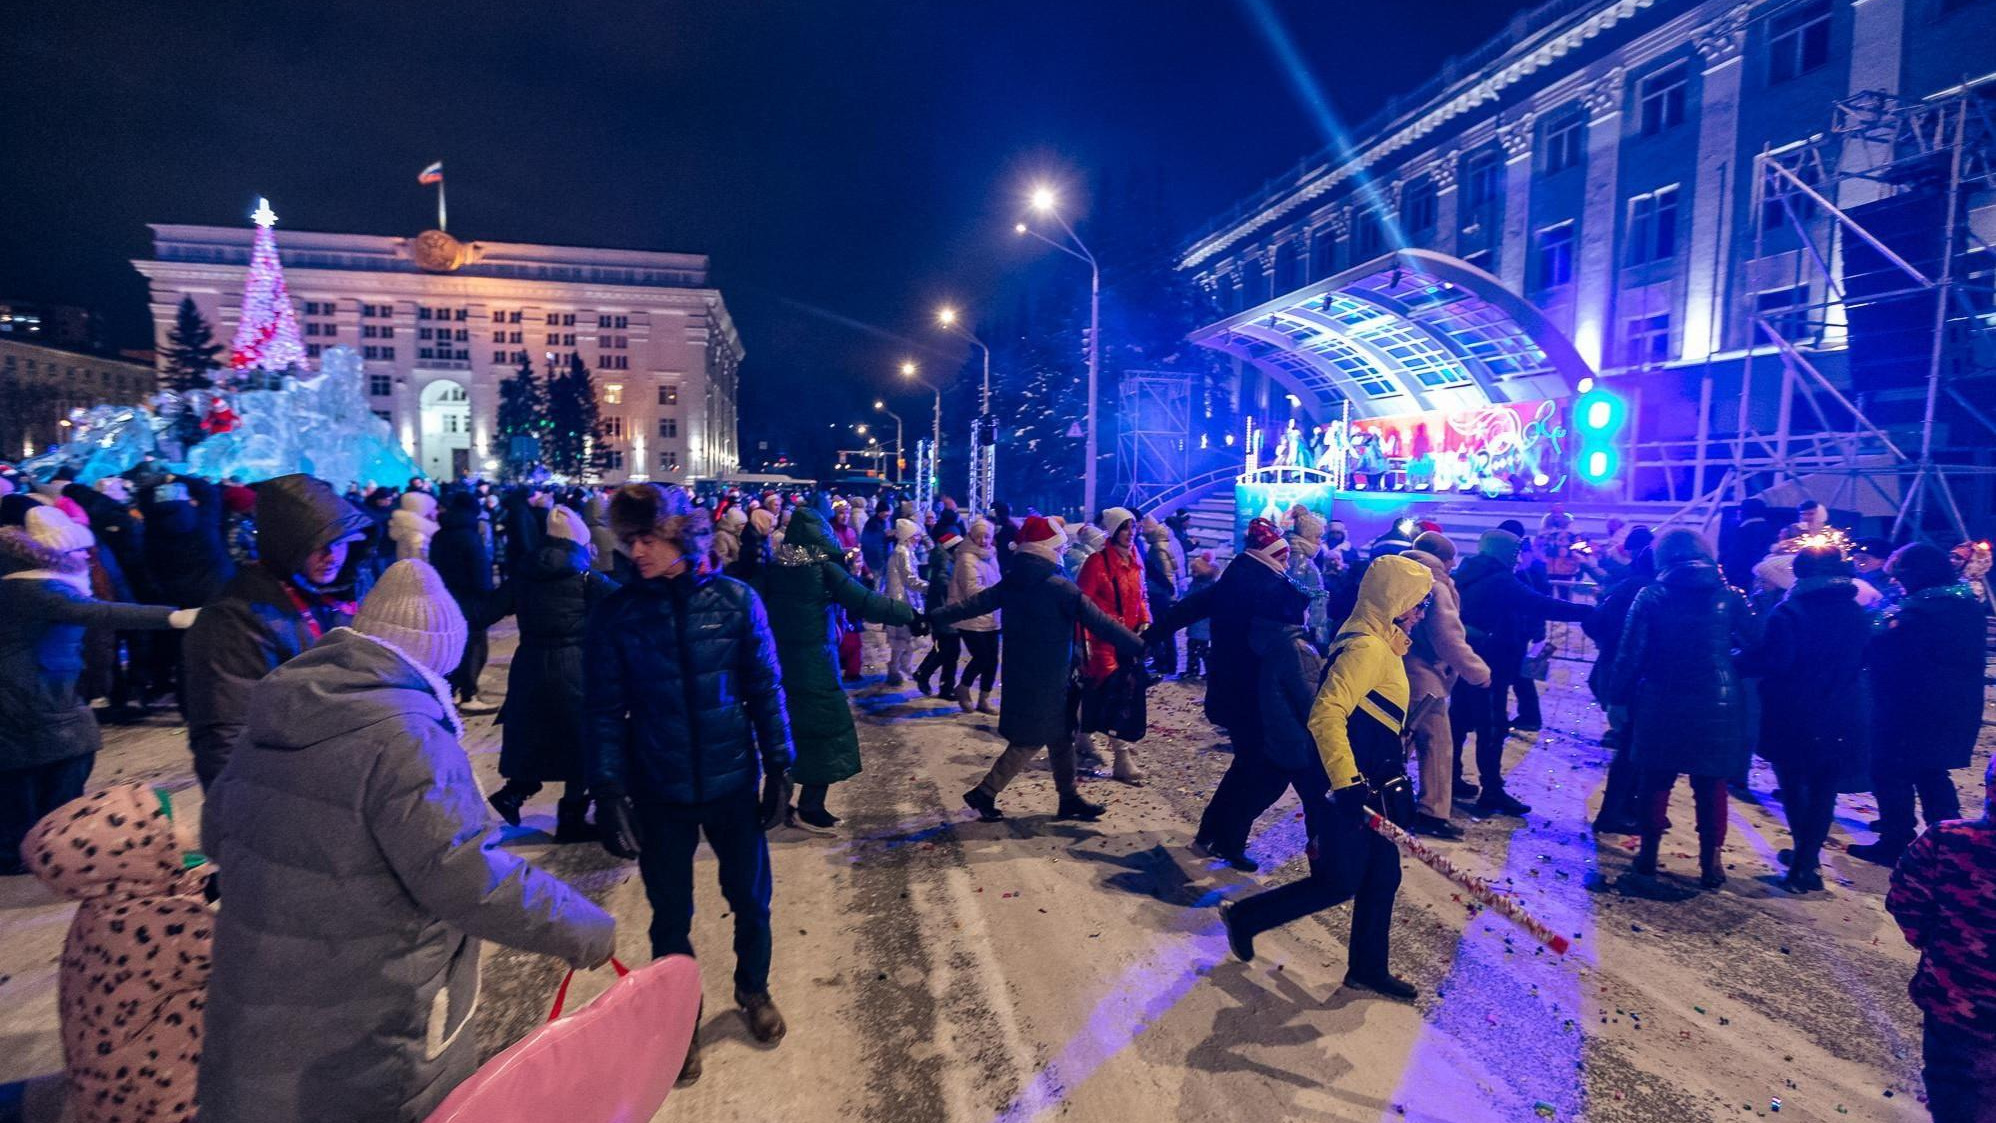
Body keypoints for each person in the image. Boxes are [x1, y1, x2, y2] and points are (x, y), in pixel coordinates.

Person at [199, 560, 614, 1122]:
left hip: (251, 1020)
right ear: (436, 657)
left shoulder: (279, 710)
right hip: (366, 1027)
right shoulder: (408, 738)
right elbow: (469, 878)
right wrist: (584, 927)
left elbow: (217, 833)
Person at [588, 483, 793, 1083]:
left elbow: (765, 687)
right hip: (661, 787)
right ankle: (680, 1018)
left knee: (752, 901)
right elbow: (602, 709)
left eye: (647, 538)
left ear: (682, 534)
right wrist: (607, 791)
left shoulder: (735, 601)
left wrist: (781, 765)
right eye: (630, 541)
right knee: (669, 912)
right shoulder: (617, 614)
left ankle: (753, 991)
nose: (637, 552)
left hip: (732, 780)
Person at [1220, 554, 1433, 1001]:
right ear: (1393, 601)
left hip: (1370, 780)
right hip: (1352, 784)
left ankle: (1368, 968)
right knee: (1340, 879)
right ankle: (1246, 917)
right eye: (1417, 603)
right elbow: (1326, 714)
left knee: (1381, 877)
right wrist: (1347, 784)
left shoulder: (1378, 639)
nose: (1420, 613)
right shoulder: (1367, 648)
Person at [0, 509, 195, 875]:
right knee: (50, 775)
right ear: (60, 555)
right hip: (32, 704)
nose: (90, 561)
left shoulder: (25, 586)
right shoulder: (39, 590)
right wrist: (175, 617)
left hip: (39, 701)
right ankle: (40, 852)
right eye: (84, 554)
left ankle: (34, 847)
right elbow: (102, 614)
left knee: (39, 774)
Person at [23, 784, 214, 1123]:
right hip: (158, 1096)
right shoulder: (166, 923)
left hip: (105, 1085)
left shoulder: (106, 908)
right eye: (176, 823)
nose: (187, 827)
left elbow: (183, 883)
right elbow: (249, 958)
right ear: (146, 847)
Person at [932, 516, 1144, 822]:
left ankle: (1068, 797)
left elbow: (973, 605)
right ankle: (984, 792)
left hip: (1022, 672)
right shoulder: (1059, 587)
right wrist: (1139, 645)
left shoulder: (1013, 580)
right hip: (1051, 676)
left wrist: (933, 617)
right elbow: (1100, 621)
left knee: (1060, 737)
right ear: (1050, 549)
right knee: (1030, 740)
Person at [181, 475, 373, 789]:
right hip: (285, 787)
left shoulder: (344, 596)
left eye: (340, 542)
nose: (332, 556)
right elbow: (225, 731)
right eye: (317, 545)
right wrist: (240, 813)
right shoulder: (236, 616)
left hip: (345, 778)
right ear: (289, 546)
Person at [731, 505, 912, 834]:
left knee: (790, 733)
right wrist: (912, 615)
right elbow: (867, 601)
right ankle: (810, 807)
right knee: (828, 732)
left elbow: (747, 602)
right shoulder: (824, 569)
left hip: (780, 667)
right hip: (815, 666)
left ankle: (782, 800)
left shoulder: (773, 569)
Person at [1608, 529, 1758, 889]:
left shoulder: (1652, 595)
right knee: (1711, 784)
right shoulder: (1730, 596)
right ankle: (1711, 862)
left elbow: (1630, 654)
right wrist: (1728, 665)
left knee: (1655, 778)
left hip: (1661, 695)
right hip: (1718, 699)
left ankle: (1647, 854)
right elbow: (1759, 643)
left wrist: (1617, 698)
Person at [1149, 518, 1297, 871]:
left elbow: (1186, 610)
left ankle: (1212, 831)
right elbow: (1283, 645)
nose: (1287, 564)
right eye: (1284, 557)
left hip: (1230, 689)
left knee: (1246, 764)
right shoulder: (1269, 586)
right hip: (1257, 692)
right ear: (1273, 556)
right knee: (1262, 770)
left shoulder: (1235, 578)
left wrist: (1146, 638)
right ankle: (1229, 839)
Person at [484, 505, 621, 842]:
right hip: (575, 664)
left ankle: (514, 793)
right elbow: (626, 606)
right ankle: (572, 818)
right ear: (579, 543)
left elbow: (486, 611)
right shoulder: (586, 578)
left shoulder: (523, 574)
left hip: (529, 664)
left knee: (535, 732)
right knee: (582, 742)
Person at [1738, 545, 1871, 892]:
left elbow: (1776, 661)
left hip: (1796, 712)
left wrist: (1735, 660)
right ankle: (1806, 859)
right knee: (1825, 789)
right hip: (1842, 710)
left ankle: (1804, 864)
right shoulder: (1855, 611)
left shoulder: (1791, 612)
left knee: (1796, 787)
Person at [1850, 542, 1985, 866]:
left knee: (1890, 769)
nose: (1897, 583)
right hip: (1953, 703)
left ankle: (1896, 839)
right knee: (1930, 770)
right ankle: (1947, 840)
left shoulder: (1920, 613)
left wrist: (1874, 637)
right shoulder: (1963, 604)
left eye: (1901, 576)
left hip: (1912, 705)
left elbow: (1891, 654)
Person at [1885, 757, 1996, 1123]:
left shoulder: (1949, 840)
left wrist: (1938, 944)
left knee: (1958, 1096)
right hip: (1957, 1000)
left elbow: (1906, 898)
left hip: (1957, 1000)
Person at [1450, 529, 1591, 816]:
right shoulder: (1500, 580)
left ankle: (1451, 778)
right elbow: (1540, 603)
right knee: (1492, 726)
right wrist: (1587, 611)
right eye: (1514, 550)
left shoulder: (1469, 573)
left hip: (1468, 658)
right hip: (1492, 662)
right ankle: (1491, 789)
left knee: (1460, 721)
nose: (1517, 555)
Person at [1400, 532, 1490, 839]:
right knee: (1437, 746)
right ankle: (1432, 812)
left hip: (1397, 672)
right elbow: (1447, 638)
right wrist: (1477, 672)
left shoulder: (1400, 575)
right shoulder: (1434, 586)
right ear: (1445, 559)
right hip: (1423, 678)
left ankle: (1383, 796)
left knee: (1402, 741)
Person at [1583, 544, 1657, 835]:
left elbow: (1595, 621)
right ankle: (1617, 810)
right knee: (1632, 748)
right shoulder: (1650, 593)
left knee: (1632, 746)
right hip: (1635, 677)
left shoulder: (1628, 586)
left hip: (1624, 672)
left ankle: (1628, 807)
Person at [1077, 507, 1152, 785]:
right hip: (1103, 641)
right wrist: (1084, 640)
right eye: (1124, 527)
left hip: (1128, 640)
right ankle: (1120, 756)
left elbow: (1140, 596)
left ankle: (1085, 738)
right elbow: (1082, 605)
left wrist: (1144, 619)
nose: (1130, 533)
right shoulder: (1097, 563)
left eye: (1133, 527)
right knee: (1109, 694)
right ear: (1112, 530)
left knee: (1115, 695)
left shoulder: (1135, 559)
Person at [429, 490, 495, 712]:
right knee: (475, 646)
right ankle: (469, 694)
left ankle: (453, 690)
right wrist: (488, 597)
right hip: (470, 600)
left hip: (447, 597)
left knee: (455, 646)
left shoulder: (440, 535)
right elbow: (480, 572)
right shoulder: (469, 536)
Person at [949, 516, 1003, 714]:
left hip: (991, 615)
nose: (984, 541)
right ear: (971, 537)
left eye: (987, 537)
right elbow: (972, 590)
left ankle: (984, 699)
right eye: (979, 537)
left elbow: (996, 581)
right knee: (982, 657)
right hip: (970, 617)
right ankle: (963, 688)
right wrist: (999, 594)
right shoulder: (966, 558)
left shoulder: (991, 555)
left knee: (993, 660)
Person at [914, 526, 962, 697]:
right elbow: (945, 586)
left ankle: (946, 687)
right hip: (943, 614)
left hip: (946, 613)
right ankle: (924, 674)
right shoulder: (945, 566)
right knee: (945, 650)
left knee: (950, 650)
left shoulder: (947, 563)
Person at [881, 517, 927, 686]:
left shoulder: (904, 550)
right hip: (902, 600)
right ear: (908, 536)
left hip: (902, 599)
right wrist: (928, 587)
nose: (918, 538)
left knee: (904, 638)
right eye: (915, 535)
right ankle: (895, 669)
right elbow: (909, 578)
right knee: (902, 637)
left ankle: (901, 667)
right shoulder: (903, 552)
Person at [1141, 515, 1179, 675]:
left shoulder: (1157, 548)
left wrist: (1169, 591)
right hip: (1165, 594)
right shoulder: (1168, 541)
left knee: (1163, 629)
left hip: (1160, 595)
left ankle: (1165, 663)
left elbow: (1164, 573)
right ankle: (1168, 662)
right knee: (1168, 630)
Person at [1182, 551, 1217, 678]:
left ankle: (1194, 670)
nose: (1193, 573)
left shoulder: (1200, 585)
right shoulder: (1210, 584)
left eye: (1195, 571)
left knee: (1197, 649)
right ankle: (1201, 670)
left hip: (1199, 622)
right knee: (1200, 649)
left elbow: (1190, 598)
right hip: (1201, 624)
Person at [388, 488, 439, 561]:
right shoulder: (417, 535)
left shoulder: (408, 527)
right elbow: (420, 562)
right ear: (422, 509)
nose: (435, 512)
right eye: (432, 509)